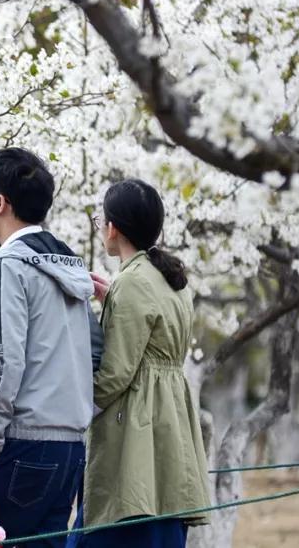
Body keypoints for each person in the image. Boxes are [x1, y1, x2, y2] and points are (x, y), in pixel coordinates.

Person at [0, 147, 103, 548]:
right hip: (69, 448)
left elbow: (4, 357)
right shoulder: (69, 267)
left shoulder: (8, 266)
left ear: (0, 203)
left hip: (17, 443)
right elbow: (95, 353)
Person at [70, 179, 210, 548]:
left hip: (137, 420)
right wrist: (112, 300)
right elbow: (155, 340)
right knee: (161, 514)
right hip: (171, 416)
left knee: (122, 514)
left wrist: (78, 409)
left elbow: (117, 373)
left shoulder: (131, 281)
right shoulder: (170, 277)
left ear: (112, 228)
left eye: (101, 219)